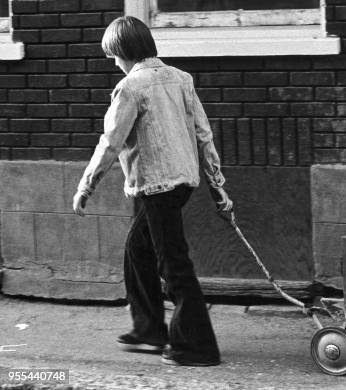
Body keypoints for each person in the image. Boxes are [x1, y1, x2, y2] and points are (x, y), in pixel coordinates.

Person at [72, 16, 232, 367]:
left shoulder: (131, 87)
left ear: (124, 52)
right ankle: (149, 330)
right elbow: (204, 135)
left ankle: (197, 348)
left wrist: (86, 185)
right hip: (182, 183)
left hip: (157, 187)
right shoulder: (182, 79)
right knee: (137, 251)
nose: (113, 62)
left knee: (173, 265)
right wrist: (218, 188)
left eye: (113, 55)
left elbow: (111, 142)